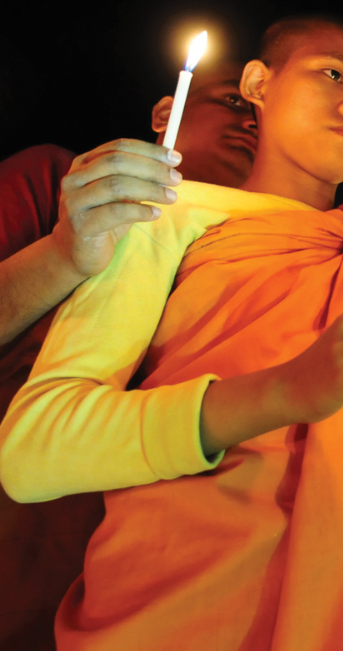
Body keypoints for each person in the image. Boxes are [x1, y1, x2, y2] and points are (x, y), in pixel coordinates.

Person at [1, 14, 343, 650]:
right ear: (257, 84)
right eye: (332, 74)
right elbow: (33, 450)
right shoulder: (164, 218)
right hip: (183, 612)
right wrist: (287, 390)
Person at [0, 60, 257, 650]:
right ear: (167, 112)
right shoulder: (57, 181)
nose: (253, 122)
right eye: (234, 101)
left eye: (264, 111)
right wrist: (64, 254)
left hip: (153, 592)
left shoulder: (268, 257)